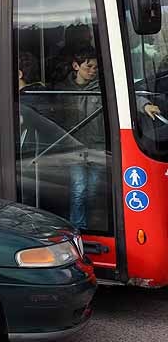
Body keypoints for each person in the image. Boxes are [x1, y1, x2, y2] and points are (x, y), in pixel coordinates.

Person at [55, 48, 104, 230]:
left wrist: (145, 105)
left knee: (92, 190)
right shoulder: (61, 90)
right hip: (74, 149)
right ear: (75, 66)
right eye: (88, 66)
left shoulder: (103, 87)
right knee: (79, 189)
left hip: (98, 147)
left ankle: (89, 223)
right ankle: (78, 227)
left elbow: (128, 96)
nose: (93, 70)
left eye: (95, 67)